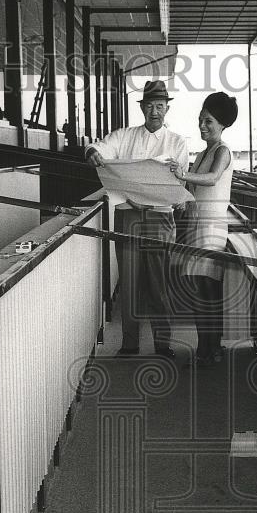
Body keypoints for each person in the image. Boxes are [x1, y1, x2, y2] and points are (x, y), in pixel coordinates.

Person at [85, 79, 189, 358]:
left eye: (160, 105)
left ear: (167, 108)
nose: (154, 111)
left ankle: (163, 345)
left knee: (159, 282)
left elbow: (180, 185)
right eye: (149, 105)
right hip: (128, 215)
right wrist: (93, 153)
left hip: (160, 217)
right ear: (142, 107)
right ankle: (129, 344)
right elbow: (100, 148)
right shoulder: (125, 136)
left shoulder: (177, 143)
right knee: (129, 281)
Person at [168, 92, 236, 367]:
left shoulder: (222, 151)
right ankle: (204, 346)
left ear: (221, 125)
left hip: (212, 227)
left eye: (208, 121)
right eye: (200, 120)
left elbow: (212, 178)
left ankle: (213, 347)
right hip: (197, 224)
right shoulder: (203, 153)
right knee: (198, 289)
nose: (203, 126)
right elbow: (193, 188)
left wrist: (182, 174)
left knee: (210, 290)